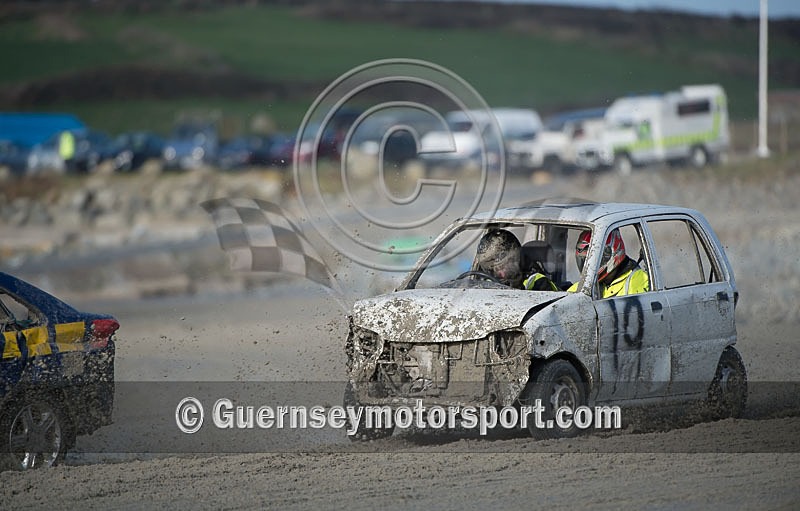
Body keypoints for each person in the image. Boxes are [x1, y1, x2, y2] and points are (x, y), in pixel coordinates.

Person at [567, 229, 649, 298]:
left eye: (593, 260)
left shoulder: (640, 281)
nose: (589, 266)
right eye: (585, 261)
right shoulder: (580, 288)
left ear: (611, 253)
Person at [473, 229, 558, 290]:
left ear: (514, 259)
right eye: (494, 270)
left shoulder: (538, 282)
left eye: (502, 267)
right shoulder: (487, 284)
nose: (501, 274)